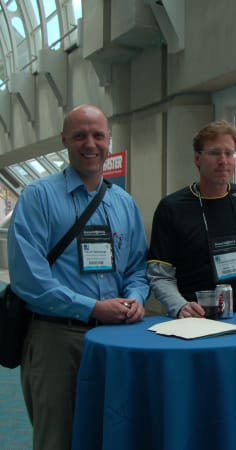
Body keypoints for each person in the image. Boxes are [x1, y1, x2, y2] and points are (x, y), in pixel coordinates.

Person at [7, 104, 149, 450]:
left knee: (113, 433)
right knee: (57, 438)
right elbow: (29, 279)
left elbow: (137, 268)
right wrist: (92, 307)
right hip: (57, 339)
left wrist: (136, 298)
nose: (90, 144)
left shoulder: (124, 203)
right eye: (80, 135)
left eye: (98, 135)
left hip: (115, 337)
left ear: (109, 139)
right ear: (64, 140)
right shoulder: (38, 197)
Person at [147, 120, 236, 318]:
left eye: (229, 153)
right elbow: (159, 275)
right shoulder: (171, 208)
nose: (223, 160)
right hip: (194, 319)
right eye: (215, 153)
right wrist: (180, 306)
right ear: (197, 158)